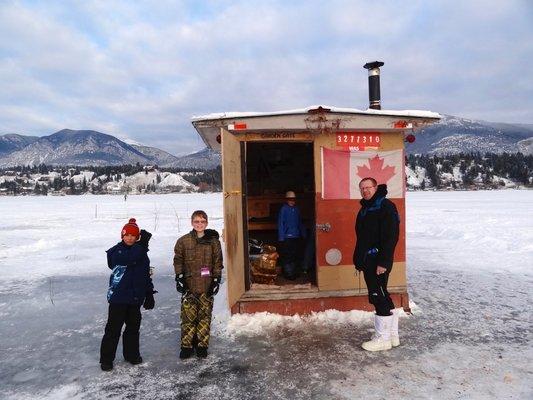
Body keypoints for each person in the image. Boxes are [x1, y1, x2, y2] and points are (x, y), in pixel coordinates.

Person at [100, 218, 156, 371]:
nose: (130, 238)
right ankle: (106, 359)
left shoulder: (141, 253)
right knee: (113, 330)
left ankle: (131, 355)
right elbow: (129, 259)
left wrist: (149, 293)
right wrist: (142, 246)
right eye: (127, 235)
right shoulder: (116, 251)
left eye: (133, 235)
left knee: (133, 328)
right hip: (118, 298)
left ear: (137, 237)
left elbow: (146, 274)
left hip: (135, 298)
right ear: (122, 236)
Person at [353, 178, 400, 352]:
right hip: (368, 260)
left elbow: (391, 236)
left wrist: (384, 262)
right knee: (382, 293)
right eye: (362, 188)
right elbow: (362, 238)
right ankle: (392, 335)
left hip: (378, 261)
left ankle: (382, 339)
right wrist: (359, 259)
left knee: (377, 295)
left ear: (375, 187)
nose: (365, 191)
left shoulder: (385, 207)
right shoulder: (366, 208)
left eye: (368, 187)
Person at [173, 210, 223, 359]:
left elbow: (217, 261)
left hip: (206, 285)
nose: (199, 224)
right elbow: (178, 260)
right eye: (196, 221)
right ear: (192, 222)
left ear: (206, 223)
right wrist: (179, 277)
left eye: (202, 222)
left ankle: (202, 345)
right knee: (188, 317)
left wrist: (216, 279)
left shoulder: (213, 241)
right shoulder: (183, 241)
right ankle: (186, 345)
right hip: (189, 285)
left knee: (204, 317)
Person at [277, 190, 307, 280]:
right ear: (287, 200)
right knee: (287, 255)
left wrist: (303, 233)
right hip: (287, 237)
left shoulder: (297, 209)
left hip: (296, 236)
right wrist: (281, 237)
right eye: (290, 199)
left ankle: (292, 272)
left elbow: (299, 222)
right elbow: (281, 223)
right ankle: (288, 273)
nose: (292, 201)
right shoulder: (283, 209)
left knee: (294, 254)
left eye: (293, 199)